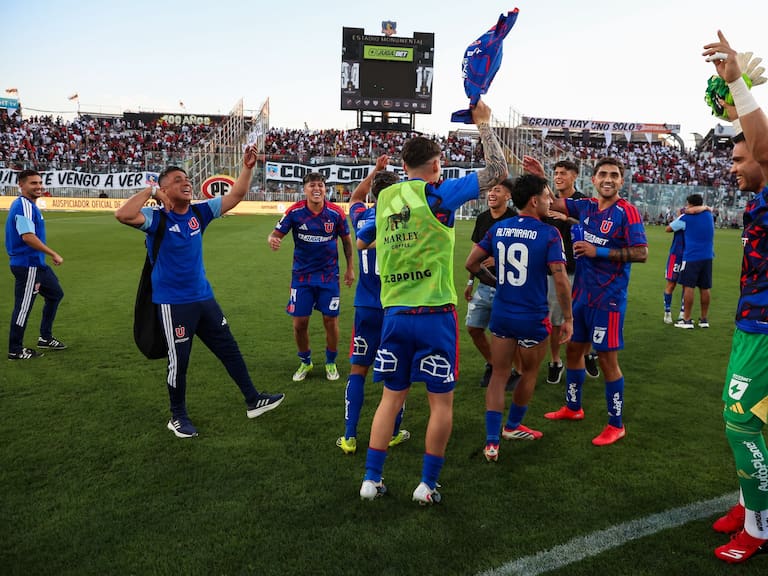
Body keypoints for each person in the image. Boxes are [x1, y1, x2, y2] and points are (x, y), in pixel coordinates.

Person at [356, 98, 508, 504]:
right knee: (440, 403)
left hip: (394, 313)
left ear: (403, 166)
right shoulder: (437, 196)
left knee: (392, 398)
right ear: (437, 164)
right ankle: (427, 484)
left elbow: (364, 236)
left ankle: (371, 479)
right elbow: (498, 173)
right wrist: (485, 125)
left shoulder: (384, 199)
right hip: (435, 313)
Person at [115, 147, 284, 438]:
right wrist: (153, 192)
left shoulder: (198, 212)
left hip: (204, 299)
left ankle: (253, 399)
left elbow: (235, 196)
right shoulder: (158, 219)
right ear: (166, 188)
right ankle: (177, 416)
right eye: (179, 180)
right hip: (173, 303)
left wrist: (247, 168)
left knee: (228, 348)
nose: (187, 182)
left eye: (187, 178)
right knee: (179, 362)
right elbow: (123, 214)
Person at [525, 155, 648, 446]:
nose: (608, 179)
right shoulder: (587, 207)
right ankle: (573, 407)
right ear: (592, 180)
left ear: (621, 180)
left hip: (609, 301)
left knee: (607, 360)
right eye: (603, 174)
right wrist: (542, 176)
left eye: (614, 175)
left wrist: (598, 252)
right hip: (582, 297)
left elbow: (641, 252)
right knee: (573, 352)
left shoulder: (627, 212)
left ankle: (615, 425)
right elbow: (553, 204)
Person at [703, 30, 768, 563]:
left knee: (741, 418)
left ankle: (760, 526)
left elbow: (763, 147)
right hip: (753, 323)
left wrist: (738, 86)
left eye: (740, 158)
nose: (733, 165)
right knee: (753, 420)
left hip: (765, 330)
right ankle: (750, 506)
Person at [465, 174, 572, 462]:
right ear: (535, 200)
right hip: (532, 316)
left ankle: (491, 442)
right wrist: (569, 318)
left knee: (499, 375)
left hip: (502, 312)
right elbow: (560, 279)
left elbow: (470, 263)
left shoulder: (499, 228)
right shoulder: (550, 233)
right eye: (547, 197)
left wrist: (495, 282)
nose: (550, 202)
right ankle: (512, 426)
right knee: (529, 373)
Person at [337, 155, 410, 455]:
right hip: (396, 306)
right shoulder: (406, 220)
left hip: (365, 306)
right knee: (396, 374)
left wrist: (375, 171)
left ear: (374, 194)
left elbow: (355, 196)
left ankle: (350, 436)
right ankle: (392, 433)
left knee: (358, 371)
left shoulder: (362, 217)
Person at [268, 173, 355, 382]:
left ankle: (330, 361)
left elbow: (346, 242)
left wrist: (350, 269)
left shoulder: (335, 213)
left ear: (325, 189)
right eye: (312, 185)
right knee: (300, 323)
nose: (317, 189)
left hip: (329, 277)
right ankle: (305, 362)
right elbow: (275, 234)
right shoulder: (295, 212)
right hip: (302, 277)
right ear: (305, 189)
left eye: (321, 185)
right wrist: (272, 240)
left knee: (330, 320)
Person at [541, 159, 599, 384]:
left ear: (574, 176)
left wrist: (568, 218)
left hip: (582, 268)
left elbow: (592, 229)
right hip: (555, 270)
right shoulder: (546, 201)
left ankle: (587, 353)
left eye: (563, 173)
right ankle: (556, 361)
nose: (558, 176)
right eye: (555, 172)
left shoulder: (583, 201)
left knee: (585, 316)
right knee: (556, 319)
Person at [462, 179, 519, 389]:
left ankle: (515, 372)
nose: (491, 194)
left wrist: (499, 258)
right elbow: (475, 249)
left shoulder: (514, 219)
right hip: (484, 285)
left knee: (507, 334)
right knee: (474, 328)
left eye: (497, 190)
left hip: (509, 286)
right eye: (490, 190)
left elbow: (523, 252)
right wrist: (470, 280)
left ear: (508, 196)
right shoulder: (483, 218)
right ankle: (494, 364)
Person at [5, 169, 67, 360]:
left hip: (37, 264)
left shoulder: (31, 206)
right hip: (28, 264)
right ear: (21, 185)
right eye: (33, 183)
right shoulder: (23, 206)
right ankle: (15, 349)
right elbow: (28, 237)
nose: (39, 186)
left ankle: (45, 337)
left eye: (40, 183)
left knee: (55, 294)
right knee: (23, 307)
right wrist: (53, 253)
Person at [670, 194, 715, 329]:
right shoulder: (708, 215)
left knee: (688, 286)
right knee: (705, 288)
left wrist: (680, 214)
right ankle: (703, 319)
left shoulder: (686, 217)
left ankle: (687, 320)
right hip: (707, 256)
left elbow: (669, 228)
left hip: (691, 256)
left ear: (690, 204)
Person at [662, 208, 686, 324]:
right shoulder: (684, 219)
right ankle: (667, 311)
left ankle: (682, 312)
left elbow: (668, 228)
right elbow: (668, 229)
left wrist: (679, 218)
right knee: (672, 284)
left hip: (686, 255)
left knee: (685, 285)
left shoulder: (684, 218)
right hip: (676, 255)